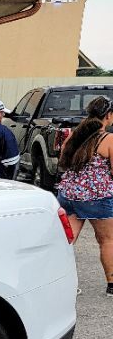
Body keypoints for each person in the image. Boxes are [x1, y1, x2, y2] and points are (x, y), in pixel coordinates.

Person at [55, 95, 113, 296]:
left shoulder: (74, 135)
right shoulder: (108, 139)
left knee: (66, 242)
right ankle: (112, 284)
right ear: (108, 115)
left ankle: (62, 282)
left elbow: (63, 161)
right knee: (107, 240)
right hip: (98, 198)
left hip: (69, 196)